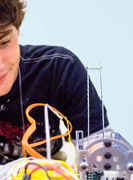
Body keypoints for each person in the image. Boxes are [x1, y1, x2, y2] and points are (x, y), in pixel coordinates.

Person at [0, 0, 110, 163]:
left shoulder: (59, 67)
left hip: (50, 170)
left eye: (4, 42)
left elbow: (98, 146)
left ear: (18, 29)